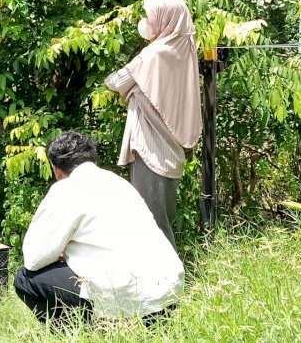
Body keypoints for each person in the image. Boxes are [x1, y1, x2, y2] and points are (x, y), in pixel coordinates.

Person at [14, 130, 184, 322]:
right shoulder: (120, 183)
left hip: (127, 300)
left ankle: (82, 333)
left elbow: (34, 259)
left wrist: (61, 253)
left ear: (57, 171)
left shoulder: (65, 189)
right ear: (94, 162)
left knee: (25, 279)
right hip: (168, 296)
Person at [104, 0, 202, 248]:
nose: (147, 20)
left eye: (151, 14)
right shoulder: (184, 50)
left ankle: (166, 281)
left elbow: (116, 82)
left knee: (152, 222)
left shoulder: (154, 54)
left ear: (166, 18)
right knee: (162, 217)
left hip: (150, 148)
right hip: (170, 147)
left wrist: (128, 85)